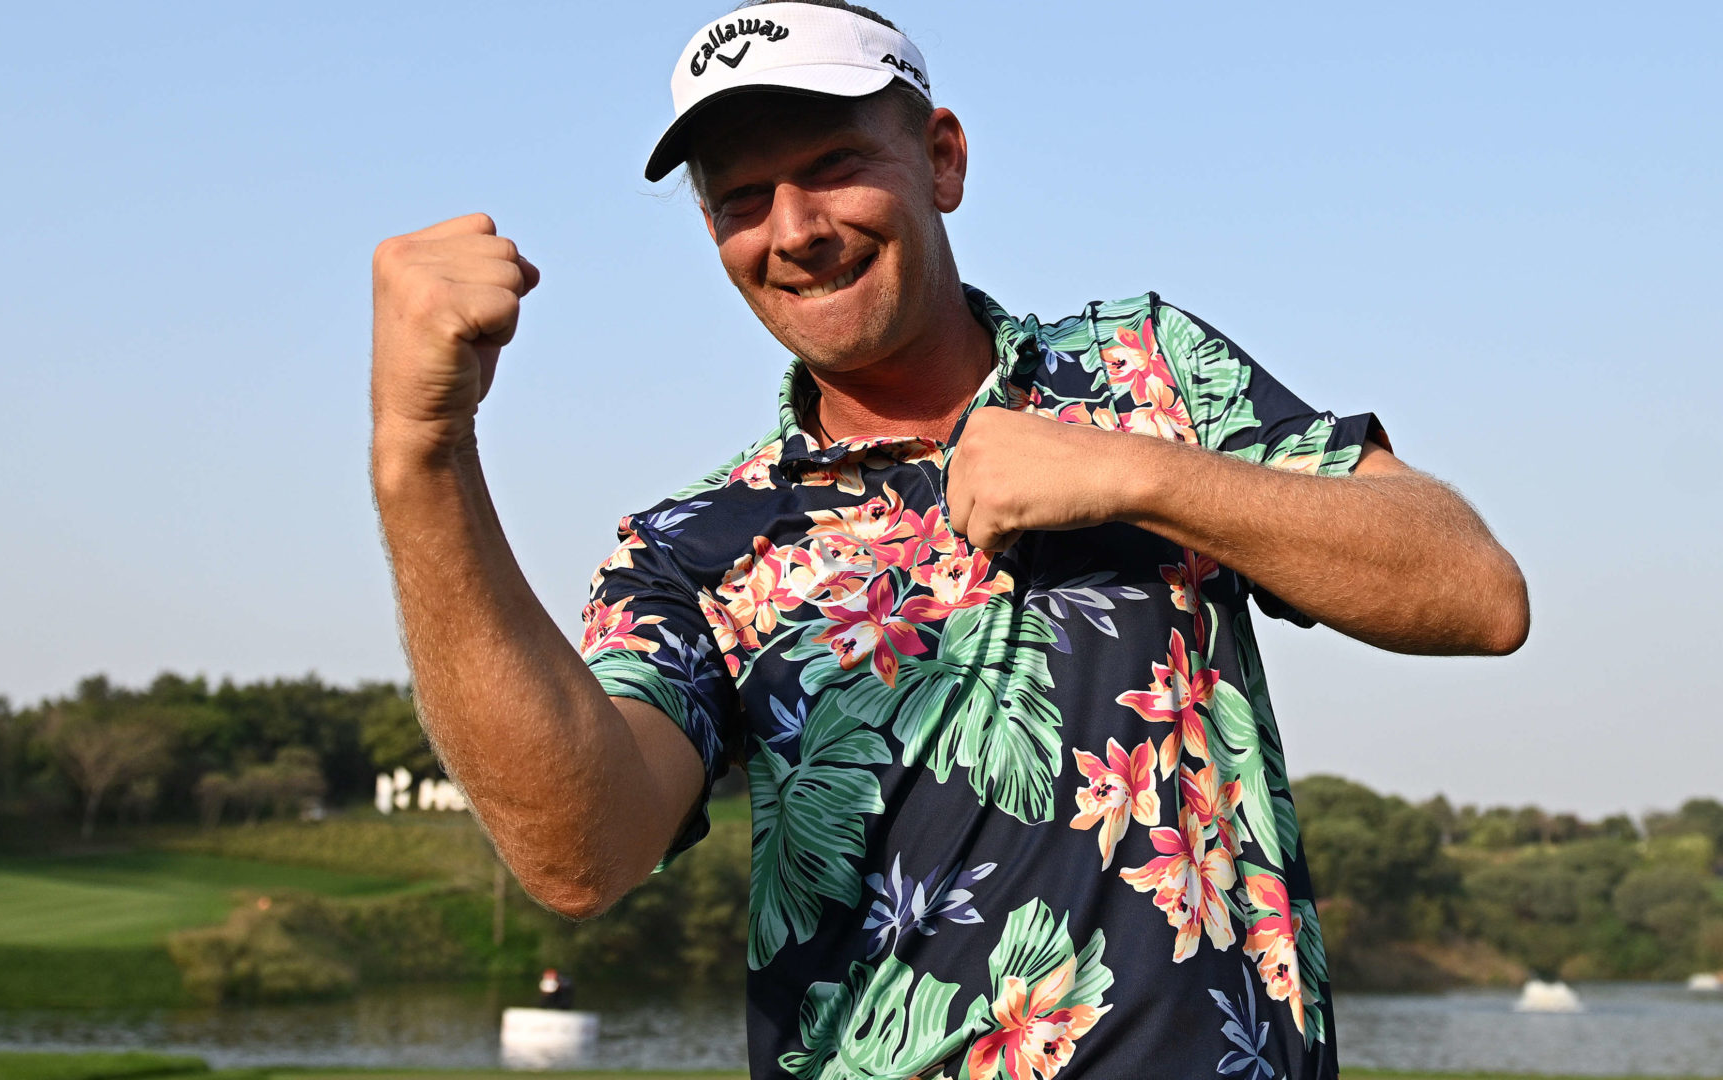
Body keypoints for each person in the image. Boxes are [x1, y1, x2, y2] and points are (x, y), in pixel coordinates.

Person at [367, 2, 1530, 1077]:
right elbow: (579, 851)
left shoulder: (1144, 371)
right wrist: (424, 459)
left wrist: (1135, 471)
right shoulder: (691, 549)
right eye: (740, 199)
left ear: (942, 160)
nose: (796, 230)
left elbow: (1474, 592)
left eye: (835, 168)